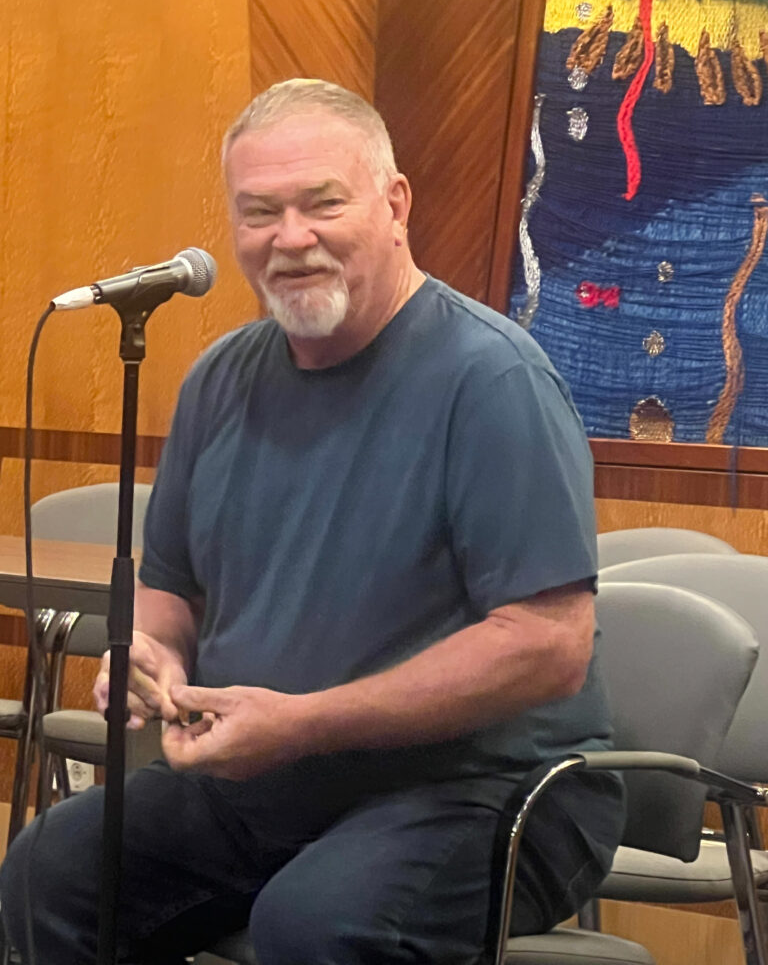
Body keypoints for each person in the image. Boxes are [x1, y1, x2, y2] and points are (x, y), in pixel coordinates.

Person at [0, 79, 624, 965]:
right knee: (49, 869)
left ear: (394, 204)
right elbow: (170, 585)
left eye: (321, 203)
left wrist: (304, 722)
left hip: (489, 790)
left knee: (318, 924)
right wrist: (155, 653)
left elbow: (548, 643)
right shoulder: (219, 379)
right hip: (271, 778)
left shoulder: (491, 382)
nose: (290, 238)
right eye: (260, 212)